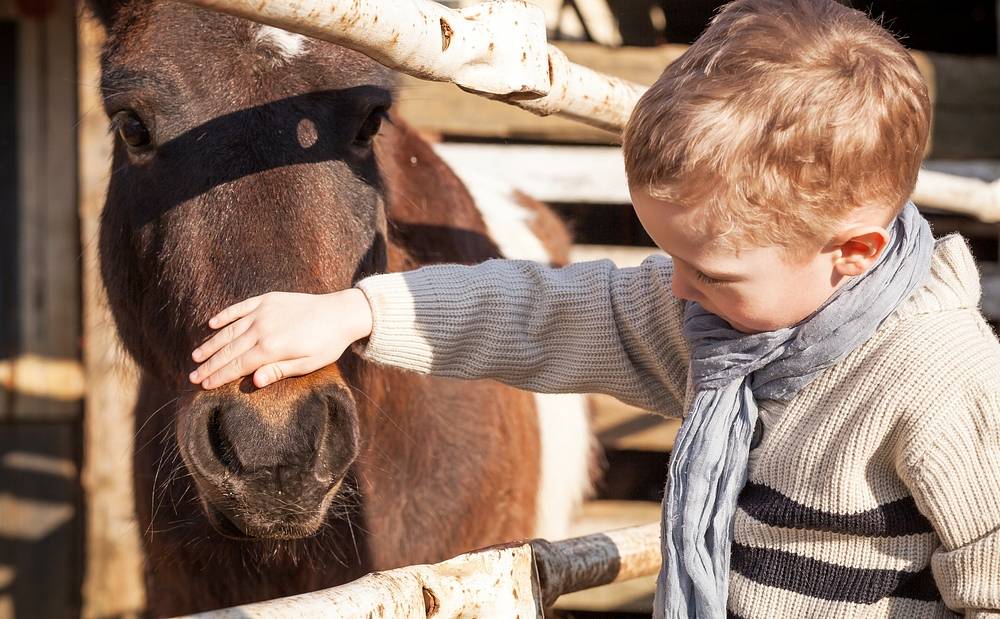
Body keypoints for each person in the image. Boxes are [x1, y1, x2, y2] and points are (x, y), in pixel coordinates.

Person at [186, 0, 1000, 616]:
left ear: (851, 253)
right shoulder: (730, 328)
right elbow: (540, 311)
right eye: (670, 258)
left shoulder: (941, 377)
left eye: (709, 271)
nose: (678, 290)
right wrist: (357, 312)